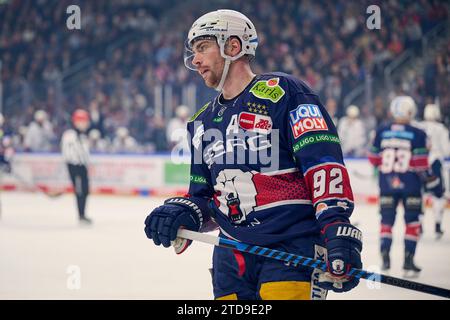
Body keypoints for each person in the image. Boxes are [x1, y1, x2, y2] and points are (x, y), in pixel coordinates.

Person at [144, 9, 362, 300]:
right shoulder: (201, 122)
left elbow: (322, 163)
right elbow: (206, 196)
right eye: (193, 52)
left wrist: (336, 226)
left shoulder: (286, 93)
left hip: (291, 250)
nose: (194, 60)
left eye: (202, 47)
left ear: (233, 46)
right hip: (230, 257)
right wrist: (185, 212)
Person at [368, 96, 429, 277]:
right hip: (411, 185)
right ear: (410, 111)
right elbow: (420, 163)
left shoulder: (381, 131)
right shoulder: (418, 133)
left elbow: (373, 158)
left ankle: (385, 257)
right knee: (412, 222)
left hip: (386, 184)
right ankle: (408, 261)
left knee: (386, 222)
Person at [415, 104, 449, 239]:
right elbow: (446, 150)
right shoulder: (441, 128)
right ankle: (437, 225)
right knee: (438, 195)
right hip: (435, 163)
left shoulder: (418, 126)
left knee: (420, 194)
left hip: (420, 163)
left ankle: (420, 226)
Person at [61, 109, 92, 225]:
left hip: (82, 166)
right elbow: (69, 153)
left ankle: (83, 214)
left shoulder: (82, 136)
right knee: (80, 191)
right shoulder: (70, 135)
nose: (86, 123)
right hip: (75, 166)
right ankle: (81, 215)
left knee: (85, 190)